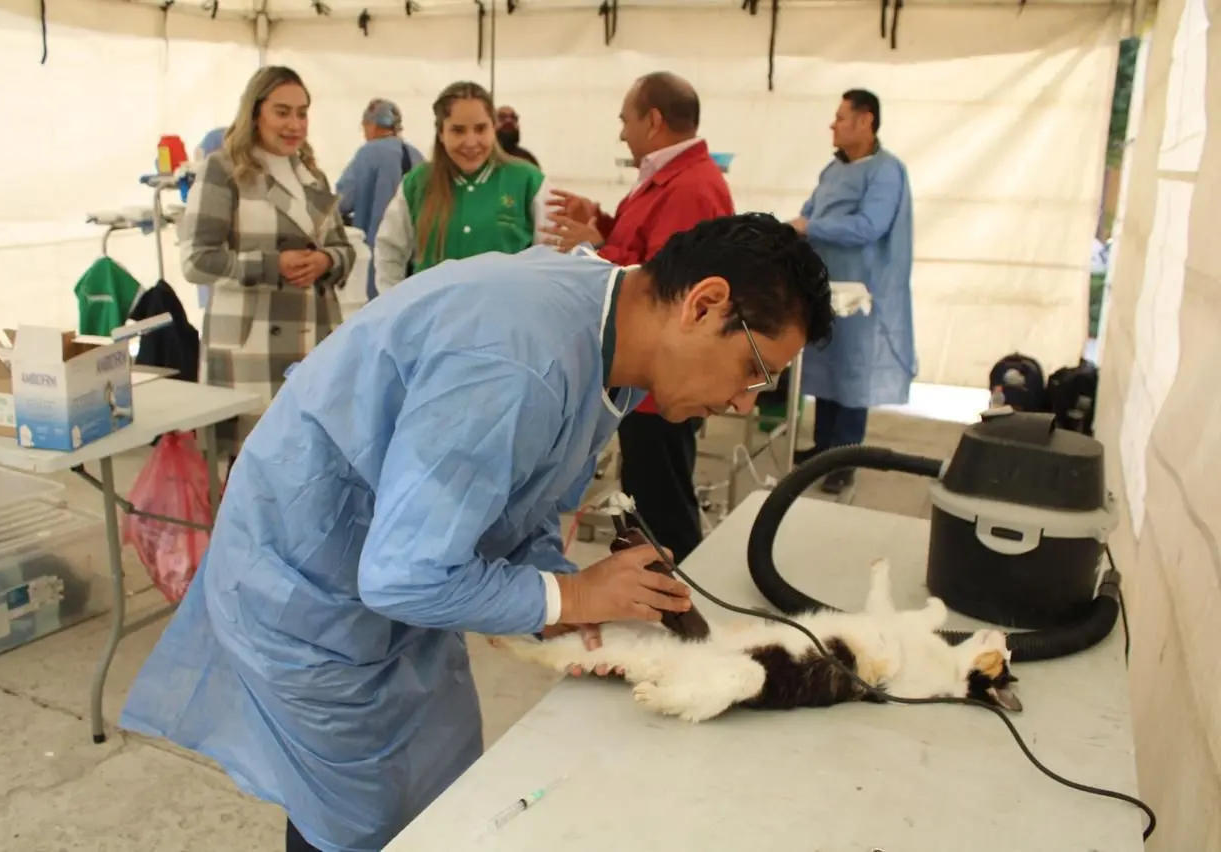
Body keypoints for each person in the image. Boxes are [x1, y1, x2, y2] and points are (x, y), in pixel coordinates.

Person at [119, 213, 834, 852]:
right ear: (704, 304)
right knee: (357, 823)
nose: (744, 400)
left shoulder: (604, 321)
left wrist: (567, 593)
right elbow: (400, 574)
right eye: (753, 370)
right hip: (312, 590)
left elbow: (515, 497)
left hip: (399, 575)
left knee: (443, 794)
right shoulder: (519, 356)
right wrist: (569, 597)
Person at [544, 71, 734, 565]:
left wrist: (592, 246)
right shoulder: (670, 179)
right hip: (647, 379)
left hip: (661, 380)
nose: (621, 132)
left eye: (625, 120)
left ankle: (688, 599)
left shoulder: (690, 187)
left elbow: (665, 290)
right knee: (647, 494)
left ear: (653, 120)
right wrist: (603, 222)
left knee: (661, 503)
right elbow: (650, 248)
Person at [179, 65, 356, 463]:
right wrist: (274, 265)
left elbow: (345, 249)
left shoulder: (312, 175)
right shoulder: (223, 170)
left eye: (302, 112)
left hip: (315, 340)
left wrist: (326, 260)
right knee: (255, 467)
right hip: (252, 347)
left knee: (312, 459)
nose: (295, 124)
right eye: (282, 112)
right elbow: (197, 260)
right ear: (255, 112)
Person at [789, 88, 916, 495]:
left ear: (866, 121)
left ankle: (845, 459)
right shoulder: (834, 169)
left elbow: (869, 226)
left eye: (841, 117)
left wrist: (812, 228)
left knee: (853, 374)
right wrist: (798, 227)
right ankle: (823, 448)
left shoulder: (885, 172)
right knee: (827, 365)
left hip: (862, 292)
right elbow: (810, 210)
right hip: (826, 286)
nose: (834, 124)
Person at [372, 81, 549, 293]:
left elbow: (551, 261)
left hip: (507, 322)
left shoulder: (528, 181)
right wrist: (396, 306)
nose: (471, 142)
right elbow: (389, 253)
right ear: (441, 133)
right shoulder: (417, 184)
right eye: (458, 130)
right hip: (433, 322)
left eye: (481, 129)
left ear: (494, 128)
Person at [334, 99, 425, 300]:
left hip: (379, 253)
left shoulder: (368, 154)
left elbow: (341, 201)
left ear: (371, 125)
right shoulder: (416, 155)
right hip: (417, 254)